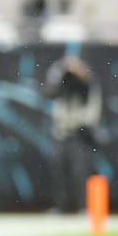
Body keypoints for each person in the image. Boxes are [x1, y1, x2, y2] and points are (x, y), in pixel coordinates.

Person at [42, 54, 102, 213]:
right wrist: (62, 73)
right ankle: (61, 207)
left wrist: (79, 74)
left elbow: (88, 96)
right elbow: (49, 92)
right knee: (59, 171)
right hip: (61, 132)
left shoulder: (87, 83)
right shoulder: (62, 79)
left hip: (79, 132)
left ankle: (84, 206)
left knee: (80, 171)